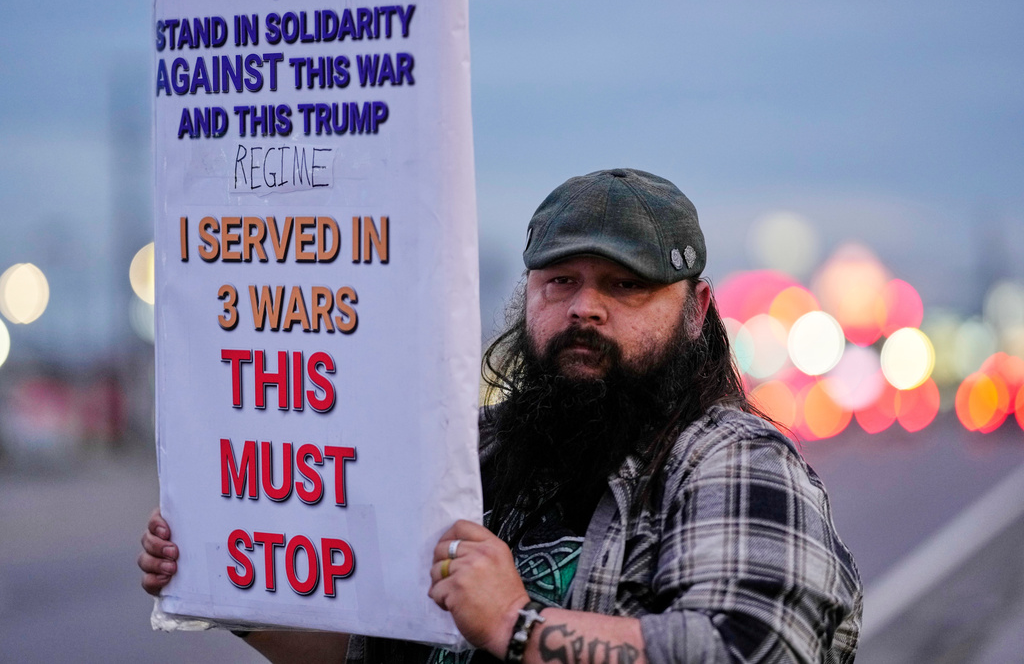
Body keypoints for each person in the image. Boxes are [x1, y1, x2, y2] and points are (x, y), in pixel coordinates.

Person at [140, 169, 862, 664]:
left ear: (697, 310)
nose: (585, 305)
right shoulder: (480, 456)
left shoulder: (733, 460)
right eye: (561, 281)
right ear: (528, 297)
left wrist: (516, 628)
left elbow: (748, 647)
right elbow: (370, 649)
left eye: (626, 285)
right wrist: (222, 581)